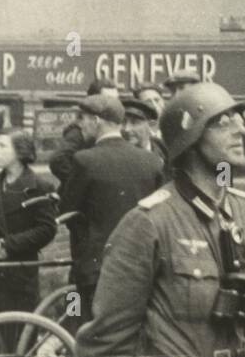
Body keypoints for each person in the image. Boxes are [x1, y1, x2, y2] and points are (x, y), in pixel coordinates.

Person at [77, 82, 245, 357]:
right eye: (222, 122)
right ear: (190, 138)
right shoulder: (149, 222)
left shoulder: (244, 213)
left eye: (239, 118)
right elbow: (105, 343)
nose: (241, 128)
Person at [57, 94, 165, 339]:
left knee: (82, 330)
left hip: (92, 269)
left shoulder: (84, 160)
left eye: (82, 119)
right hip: (140, 268)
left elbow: (67, 211)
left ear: (96, 121)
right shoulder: (152, 162)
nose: (79, 125)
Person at [0, 130, 57, 314]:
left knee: (23, 329)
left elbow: (46, 229)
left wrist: (8, 245)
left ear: (20, 152)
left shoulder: (40, 187)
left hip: (22, 269)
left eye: (2, 145)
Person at [49, 78, 120, 185]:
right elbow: (58, 160)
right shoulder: (80, 130)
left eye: (116, 100)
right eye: (108, 99)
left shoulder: (112, 126)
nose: (113, 105)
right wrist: (83, 184)